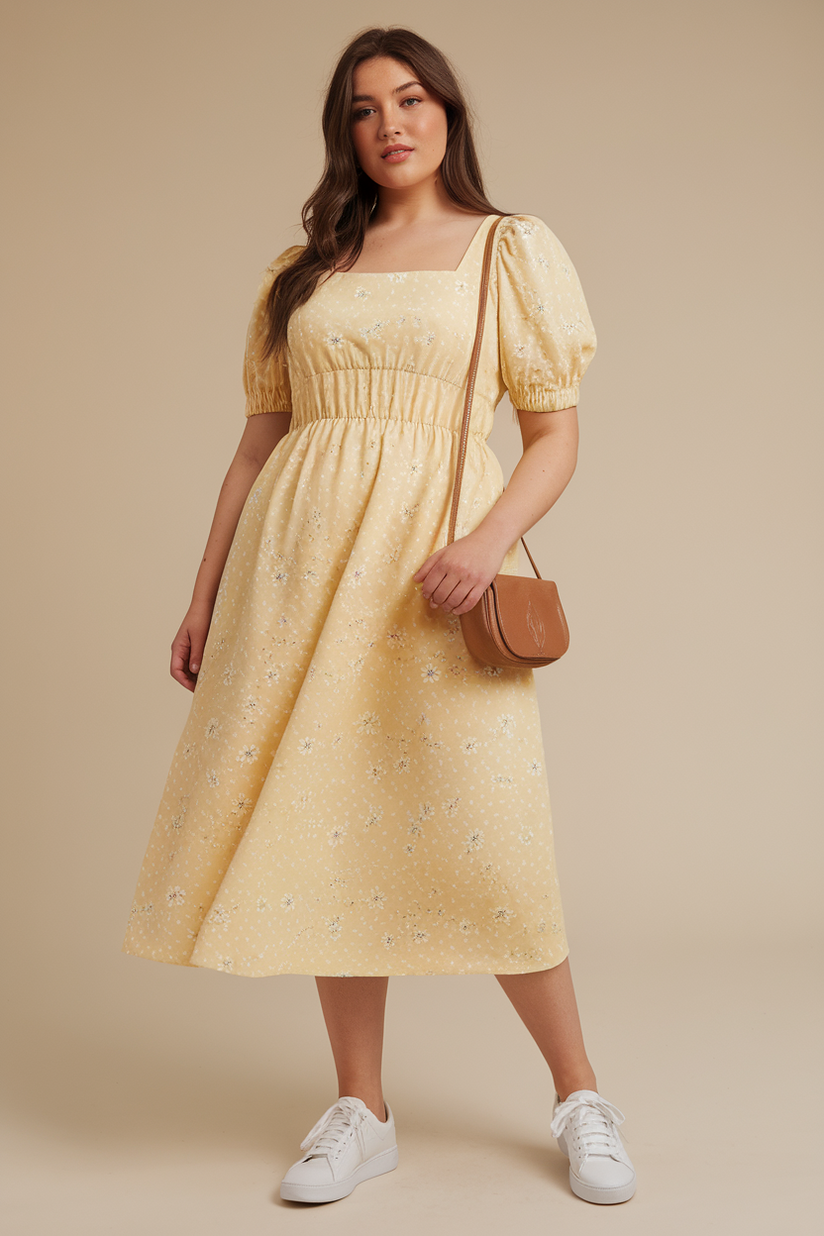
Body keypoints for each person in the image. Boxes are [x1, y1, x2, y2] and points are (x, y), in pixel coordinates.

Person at [121, 24, 637, 1209]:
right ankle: (362, 1108)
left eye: (410, 100)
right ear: (342, 133)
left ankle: (577, 1093)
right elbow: (254, 453)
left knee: (489, 829)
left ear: (448, 114)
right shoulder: (300, 272)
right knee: (326, 826)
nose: (390, 123)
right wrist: (202, 596)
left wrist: (483, 538)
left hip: (432, 572)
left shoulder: (508, 252)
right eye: (363, 109)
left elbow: (554, 433)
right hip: (295, 576)